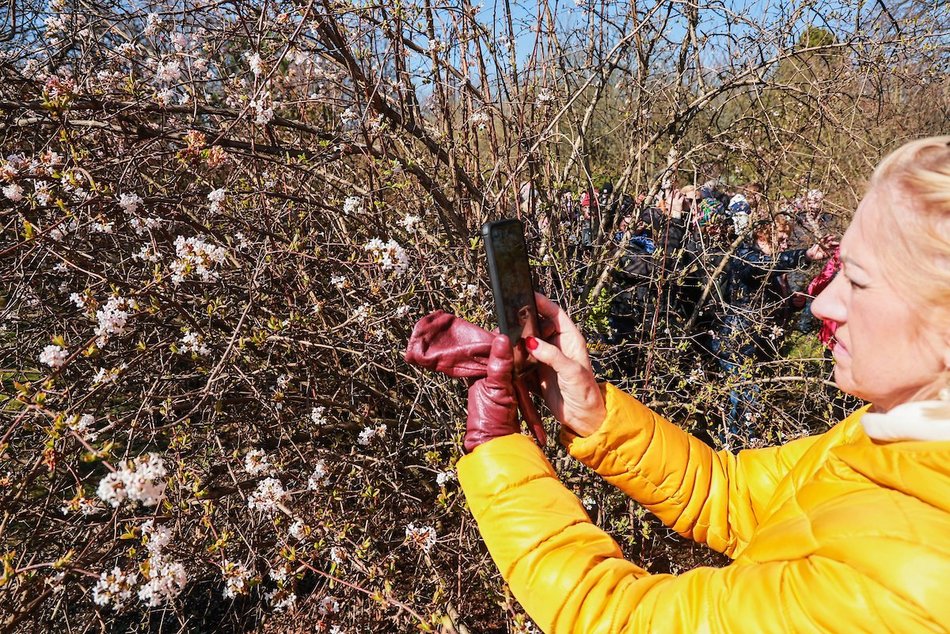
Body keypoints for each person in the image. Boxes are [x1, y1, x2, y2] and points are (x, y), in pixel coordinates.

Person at [406, 136, 950, 632]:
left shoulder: (910, 581)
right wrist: (594, 416)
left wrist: (497, 448)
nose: (825, 303)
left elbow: (622, 620)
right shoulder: (897, 437)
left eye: (856, 281)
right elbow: (735, 496)